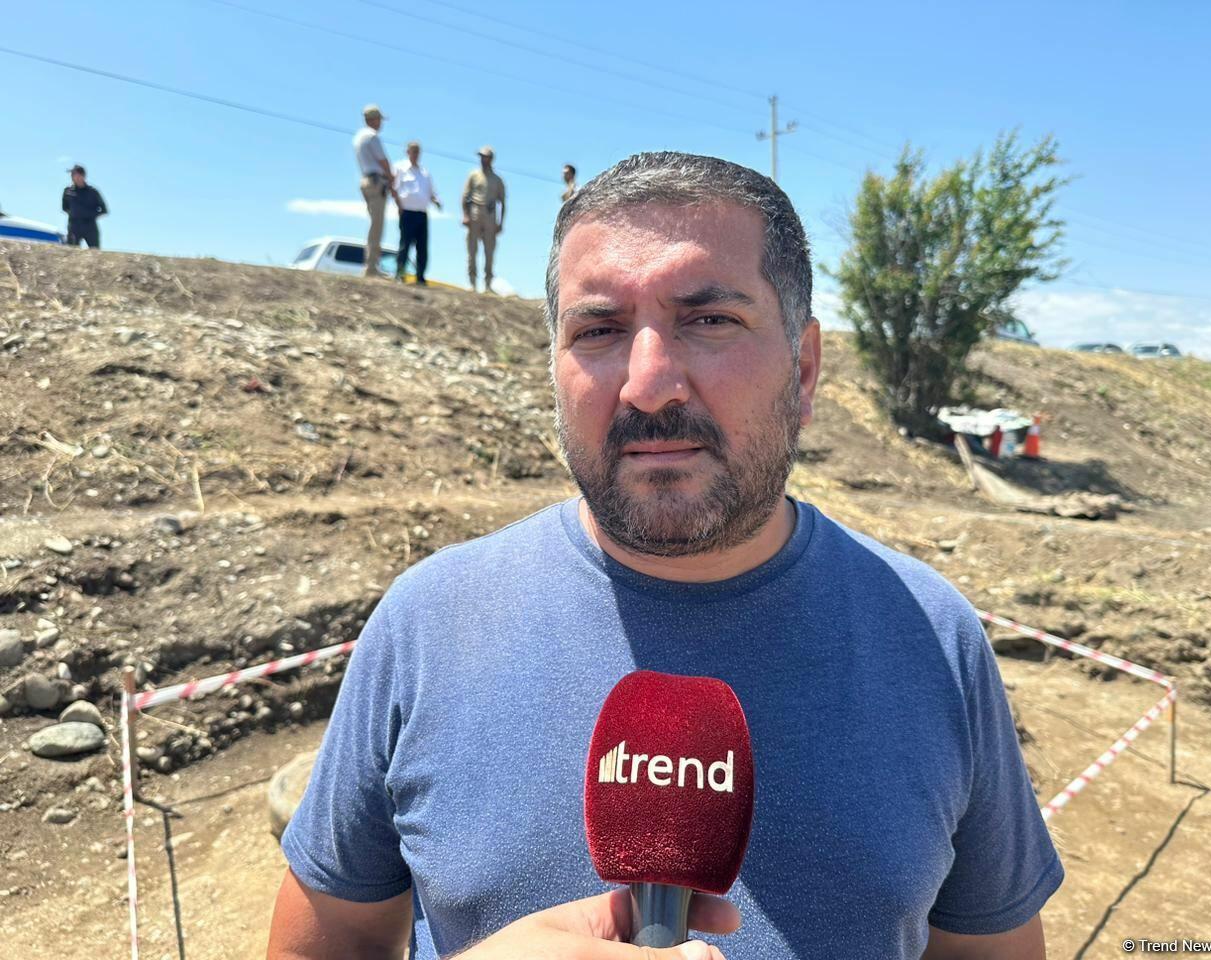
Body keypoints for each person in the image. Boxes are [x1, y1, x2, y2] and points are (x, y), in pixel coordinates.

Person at [268, 152, 1063, 960]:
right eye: (598, 330)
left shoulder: (933, 636)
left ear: (804, 369)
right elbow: (331, 941)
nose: (649, 385)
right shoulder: (428, 624)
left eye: (709, 320)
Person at [353, 104, 400, 278]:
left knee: (374, 223)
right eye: (379, 119)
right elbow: (383, 161)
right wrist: (391, 177)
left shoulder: (359, 137)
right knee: (377, 225)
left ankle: (371, 265)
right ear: (373, 119)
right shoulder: (372, 136)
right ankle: (371, 267)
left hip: (366, 181)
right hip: (376, 182)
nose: (381, 123)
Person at [392, 141, 442, 284]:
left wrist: (436, 201)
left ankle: (420, 277)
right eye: (413, 151)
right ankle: (400, 274)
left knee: (422, 247)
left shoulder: (424, 172)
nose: (415, 154)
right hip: (407, 212)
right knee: (405, 245)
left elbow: (432, 192)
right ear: (407, 152)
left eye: (417, 152)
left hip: (422, 213)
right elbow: (394, 189)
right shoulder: (400, 168)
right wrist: (399, 206)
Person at [460, 146, 505, 292]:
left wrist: (500, 223)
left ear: (490, 159)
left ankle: (488, 284)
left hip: (490, 215)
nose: (482, 159)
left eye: (485, 157)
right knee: (472, 249)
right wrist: (465, 215)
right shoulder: (473, 175)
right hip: (475, 212)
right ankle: (472, 282)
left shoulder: (497, 180)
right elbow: (465, 196)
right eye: (481, 157)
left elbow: (502, 203)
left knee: (489, 251)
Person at [62, 165, 107, 249]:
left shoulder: (93, 192)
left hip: (90, 227)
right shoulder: (68, 191)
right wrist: (74, 214)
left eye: (75, 174)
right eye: (72, 175)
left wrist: (89, 215)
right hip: (74, 227)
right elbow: (65, 207)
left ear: (83, 176)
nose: (73, 177)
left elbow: (104, 210)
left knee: (94, 252)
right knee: (71, 252)